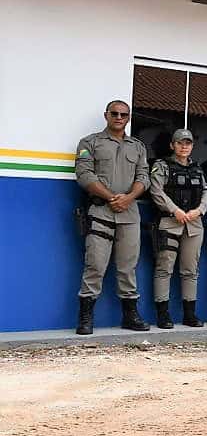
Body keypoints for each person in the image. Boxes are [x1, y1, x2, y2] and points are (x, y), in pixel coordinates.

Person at [74, 100, 151, 334]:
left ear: (128, 118)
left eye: (123, 114)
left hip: (129, 214)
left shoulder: (138, 147)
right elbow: (84, 175)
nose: (119, 117)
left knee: (128, 267)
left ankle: (130, 316)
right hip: (100, 212)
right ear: (106, 115)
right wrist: (111, 198)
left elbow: (144, 176)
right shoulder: (90, 142)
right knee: (95, 265)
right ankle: (86, 317)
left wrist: (129, 198)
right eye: (115, 113)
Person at [148, 129, 207, 329]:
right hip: (169, 222)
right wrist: (175, 210)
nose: (184, 147)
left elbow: (206, 194)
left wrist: (198, 211)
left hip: (193, 224)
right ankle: (163, 315)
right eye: (180, 143)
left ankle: (189, 314)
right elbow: (156, 191)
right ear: (172, 145)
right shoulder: (162, 166)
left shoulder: (197, 168)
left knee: (190, 270)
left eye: (188, 143)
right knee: (164, 269)